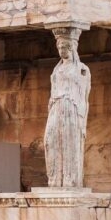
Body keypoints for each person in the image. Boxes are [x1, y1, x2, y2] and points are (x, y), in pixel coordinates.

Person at [44, 37, 91, 187]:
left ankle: (70, 180)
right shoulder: (56, 69)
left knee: (70, 142)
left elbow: (85, 95)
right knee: (49, 140)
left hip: (72, 107)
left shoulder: (82, 69)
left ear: (72, 47)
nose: (61, 49)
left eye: (64, 46)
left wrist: (83, 121)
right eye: (59, 46)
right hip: (56, 107)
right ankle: (55, 178)